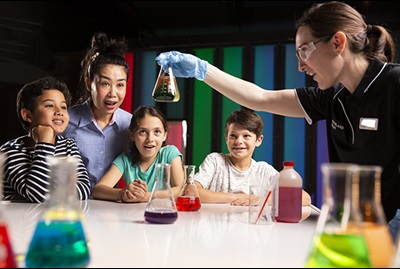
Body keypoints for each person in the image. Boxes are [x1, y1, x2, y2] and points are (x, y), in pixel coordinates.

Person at [155, 1, 400, 224]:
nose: (301, 65)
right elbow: (259, 98)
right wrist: (202, 70)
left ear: (338, 42)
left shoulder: (394, 83)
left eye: (304, 51)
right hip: (351, 227)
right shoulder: (332, 98)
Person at [0, 76, 91, 202]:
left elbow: (85, 189)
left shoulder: (69, 146)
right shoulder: (9, 151)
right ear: (27, 115)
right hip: (22, 220)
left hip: (54, 219)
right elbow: (38, 194)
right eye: (49, 105)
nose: (59, 112)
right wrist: (44, 144)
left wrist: (40, 195)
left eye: (63, 107)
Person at [194, 108, 311, 206]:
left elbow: (305, 198)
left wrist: (259, 199)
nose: (239, 141)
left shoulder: (263, 171)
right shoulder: (215, 161)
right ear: (226, 139)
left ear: (258, 140)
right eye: (233, 136)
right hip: (216, 228)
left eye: (246, 136)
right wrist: (238, 198)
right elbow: (192, 191)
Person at [62, 31, 132, 191]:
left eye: (120, 85)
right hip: (72, 204)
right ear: (89, 83)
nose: (113, 93)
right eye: (105, 84)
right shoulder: (66, 121)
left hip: (110, 206)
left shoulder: (130, 125)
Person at [92, 106, 184, 203]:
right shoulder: (125, 159)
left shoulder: (170, 153)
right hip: (132, 214)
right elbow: (98, 190)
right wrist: (123, 193)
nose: (150, 139)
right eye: (143, 132)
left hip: (162, 213)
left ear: (165, 135)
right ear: (132, 135)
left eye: (157, 132)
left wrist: (147, 196)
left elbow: (181, 189)